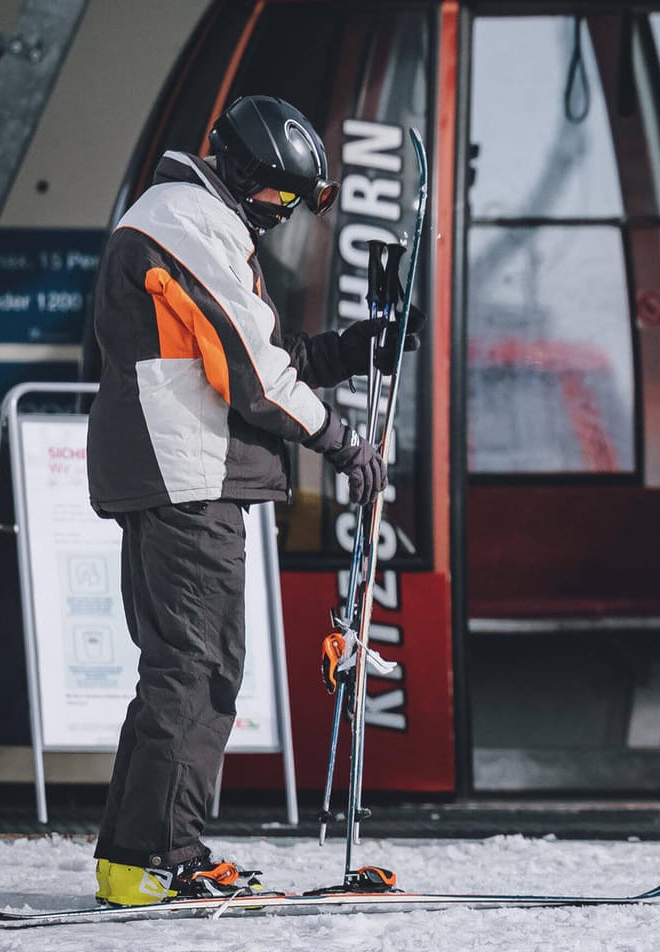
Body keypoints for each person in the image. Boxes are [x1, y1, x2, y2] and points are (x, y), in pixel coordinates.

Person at [85, 95, 416, 906]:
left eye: (292, 204)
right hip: (185, 474)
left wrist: (348, 350)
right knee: (198, 670)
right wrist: (344, 443)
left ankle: (133, 860)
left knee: (181, 667)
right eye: (278, 197)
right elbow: (254, 376)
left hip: (180, 469)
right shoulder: (189, 221)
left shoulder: (196, 221)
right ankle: (166, 857)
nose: (279, 215)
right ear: (242, 172)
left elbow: (260, 354)